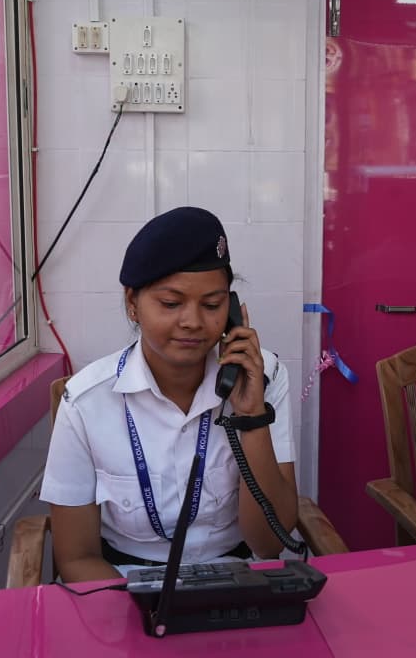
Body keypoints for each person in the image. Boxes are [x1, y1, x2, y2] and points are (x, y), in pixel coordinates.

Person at [40, 206, 299, 583]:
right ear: (132, 303)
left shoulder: (266, 377)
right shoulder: (85, 401)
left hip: (235, 581)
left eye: (212, 305)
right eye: (171, 303)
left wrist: (251, 417)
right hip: (124, 583)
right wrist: (141, 611)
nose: (192, 322)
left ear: (231, 310)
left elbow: (270, 542)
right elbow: (76, 557)